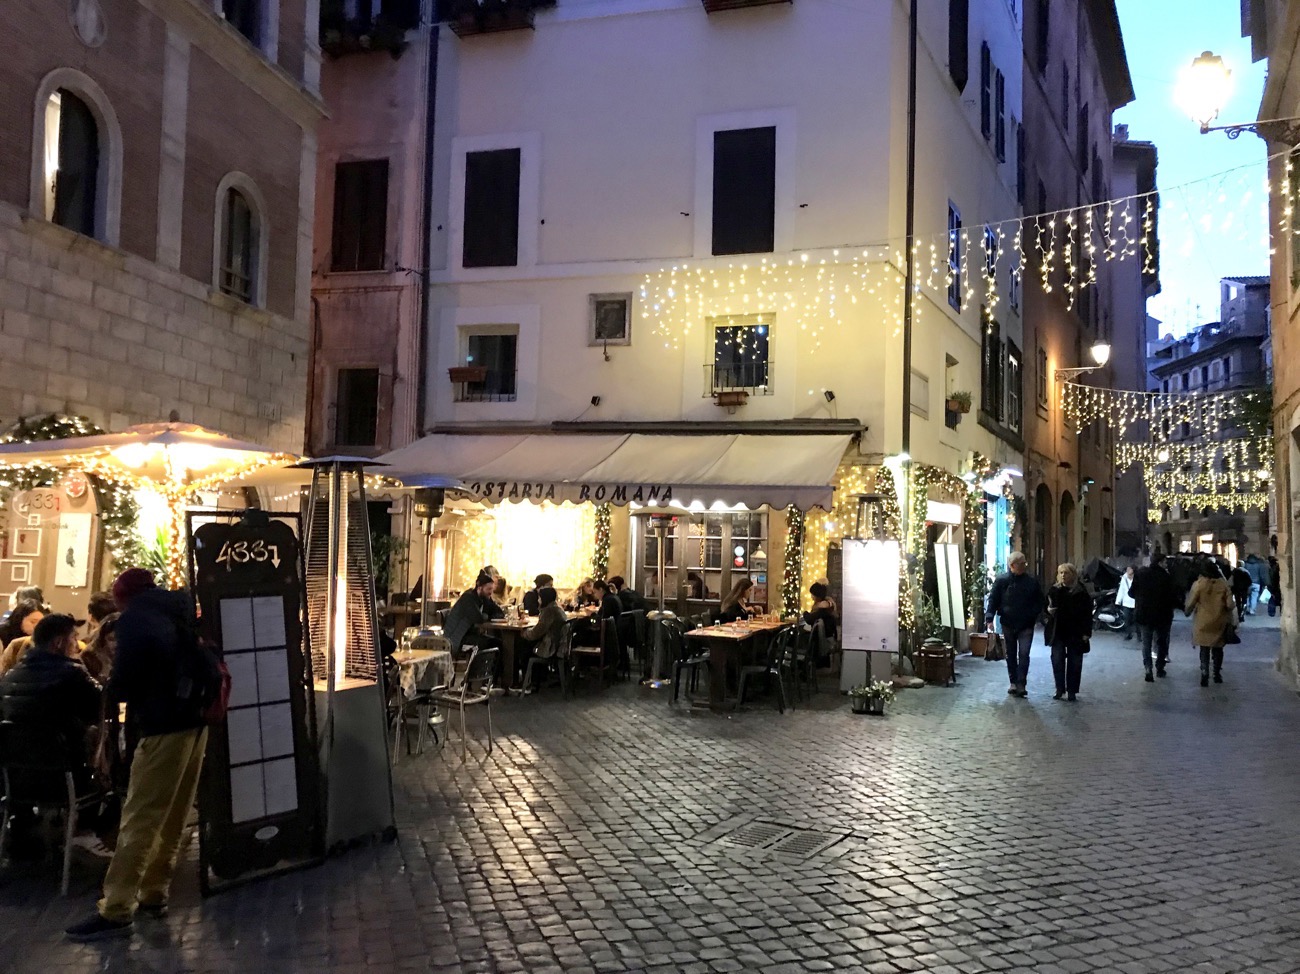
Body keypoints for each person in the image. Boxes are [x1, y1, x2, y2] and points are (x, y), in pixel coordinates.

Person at [66, 568, 210, 941]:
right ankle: (154, 891)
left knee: (140, 816)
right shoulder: (181, 609)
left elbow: (125, 680)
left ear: (122, 597)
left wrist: (114, 690)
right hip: (196, 720)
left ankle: (116, 908)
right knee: (175, 812)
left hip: (161, 723)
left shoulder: (135, 620)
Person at [0, 613, 104, 860]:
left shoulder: (10, 677)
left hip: (14, 781)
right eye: (73, 638)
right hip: (63, 781)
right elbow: (100, 707)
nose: (76, 644)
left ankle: (26, 834)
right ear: (59, 642)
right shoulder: (72, 673)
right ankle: (86, 834)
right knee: (108, 773)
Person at [984, 552, 1045, 698]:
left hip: (1026, 623)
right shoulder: (1002, 581)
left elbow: (1040, 601)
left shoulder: (1031, 582)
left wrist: (1033, 614)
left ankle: (1021, 683)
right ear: (1012, 565)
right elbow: (993, 599)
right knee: (1011, 653)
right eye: (1021, 564)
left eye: (1024, 563)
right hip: (1008, 622)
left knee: (1024, 653)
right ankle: (1013, 682)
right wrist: (989, 617)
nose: (1024, 566)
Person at [1045, 564, 1092, 702]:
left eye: (1066, 573)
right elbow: (1046, 606)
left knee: (1075, 661)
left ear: (1073, 574)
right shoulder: (1054, 590)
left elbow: (1087, 613)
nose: (1063, 575)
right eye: (1060, 573)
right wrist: (1048, 611)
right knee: (1057, 659)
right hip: (1058, 630)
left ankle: (1072, 690)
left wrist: (1086, 632)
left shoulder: (1081, 591)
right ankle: (1059, 689)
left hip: (1076, 631)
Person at [1185, 560, 1235, 688]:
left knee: (1204, 648)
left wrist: (1187, 611)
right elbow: (1230, 604)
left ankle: (1204, 672)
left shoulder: (1199, 584)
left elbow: (1191, 602)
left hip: (1203, 621)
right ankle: (1216, 673)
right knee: (1218, 649)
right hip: (1219, 621)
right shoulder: (1223, 584)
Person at [1130, 552, 1178, 681]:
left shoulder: (1141, 573)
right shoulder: (1166, 577)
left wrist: (1141, 599)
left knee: (1146, 643)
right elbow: (1172, 596)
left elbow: (1131, 593)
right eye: (1165, 562)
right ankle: (1160, 668)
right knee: (1161, 642)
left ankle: (1148, 668)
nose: (1166, 564)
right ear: (1160, 563)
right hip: (1162, 615)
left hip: (1144, 614)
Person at [443, 572, 504, 657]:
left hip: (470, 635)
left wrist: (488, 609)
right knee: (495, 644)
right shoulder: (468, 598)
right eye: (488, 589)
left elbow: (500, 613)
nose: (491, 592)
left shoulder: (483, 597)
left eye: (491, 589)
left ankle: (493, 666)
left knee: (498, 642)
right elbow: (478, 618)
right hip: (457, 639)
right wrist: (487, 615)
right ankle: (482, 665)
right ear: (480, 588)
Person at [521, 588, 568, 693]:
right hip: (560, 646)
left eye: (539, 598)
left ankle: (526, 683)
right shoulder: (557, 609)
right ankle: (537, 678)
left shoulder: (549, 612)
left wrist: (524, 633)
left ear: (544, 598)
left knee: (522, 647)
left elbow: (536, 633)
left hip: (551, 648)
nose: (538, 600)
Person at [0, 600, 46, 675]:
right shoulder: (2, 633)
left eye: (40, 622)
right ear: (20, 619)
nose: (37, 626)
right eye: (33, 622)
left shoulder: (42, 637)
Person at [80, 612, 120, 683]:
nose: (116, 644)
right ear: (102, 639)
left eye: (121, 639)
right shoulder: (90, 659)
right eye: (111, 639)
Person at [1115, 565, 1136, 640]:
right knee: (1126, 619)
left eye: (1129, 569)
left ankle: (1139, 635)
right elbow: (1121, 590)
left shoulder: (1137, 578)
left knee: (1136, 619)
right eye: (1127, 569)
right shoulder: (1124, 578)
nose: (1128, 571)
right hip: (1126, 602)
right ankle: (1128, 634)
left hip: (1135, 602)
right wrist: (1118, 601)